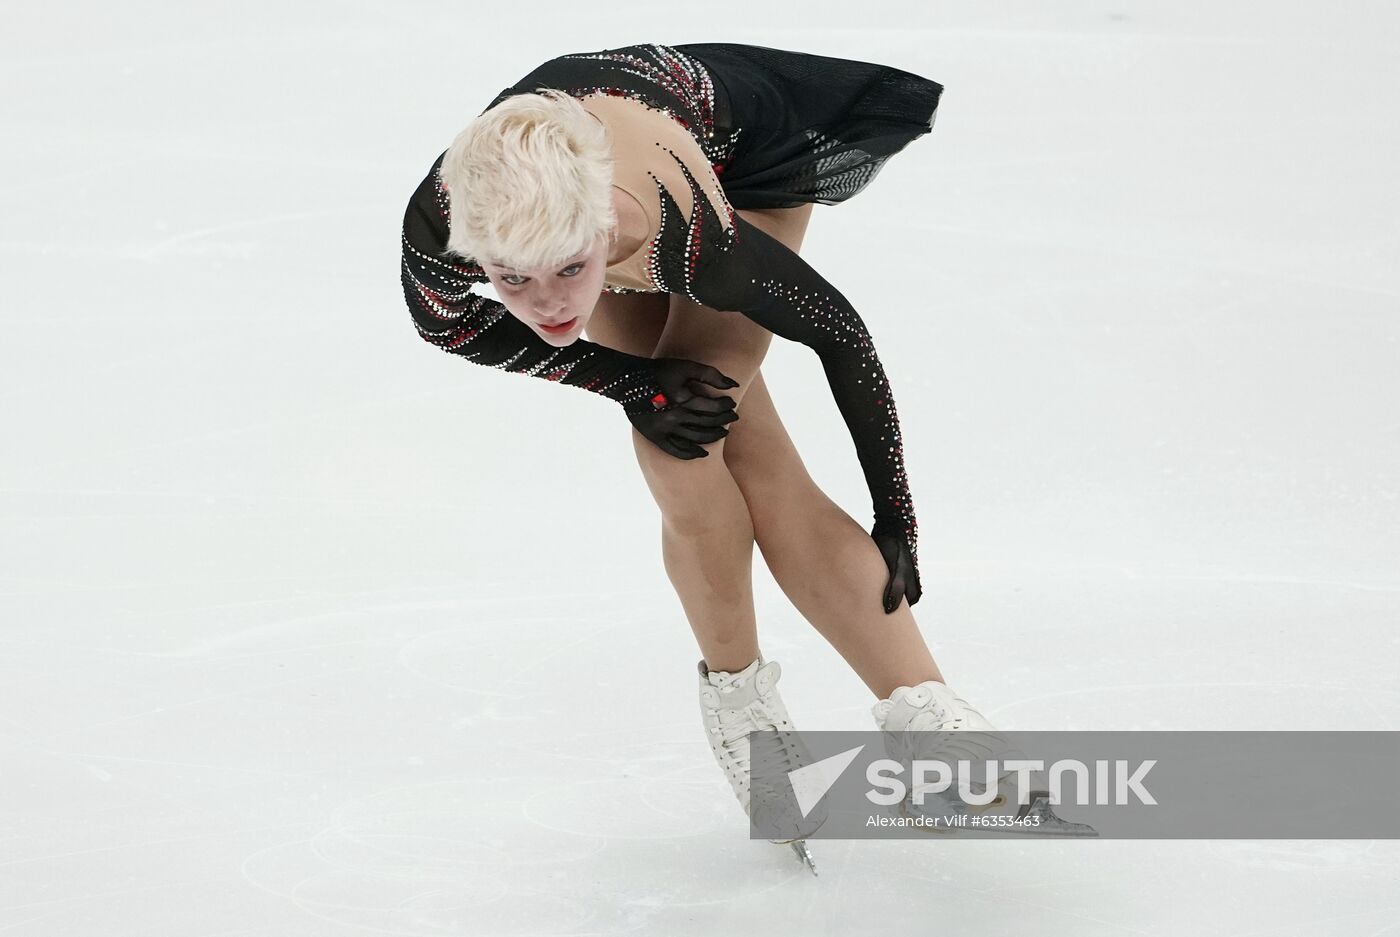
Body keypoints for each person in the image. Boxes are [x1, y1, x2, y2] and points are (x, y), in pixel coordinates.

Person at [399, 43, 1081, 873]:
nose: (546, 304)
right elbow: (451, 325)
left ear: (604, 233)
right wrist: (624, 376)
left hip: (747, 159)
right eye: (513, 279)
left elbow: (840, 336)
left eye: (571, 272)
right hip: (590, 172)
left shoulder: (684, 231)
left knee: (689, 440)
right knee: (703, 438)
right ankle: (751, 707)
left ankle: (916, 710)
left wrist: (895, 512)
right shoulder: (448, 225)